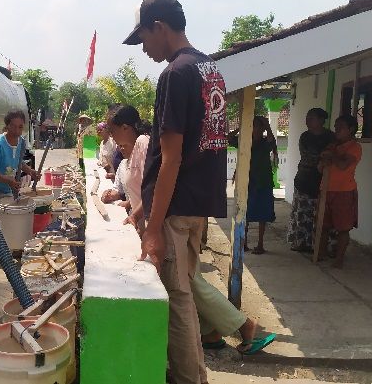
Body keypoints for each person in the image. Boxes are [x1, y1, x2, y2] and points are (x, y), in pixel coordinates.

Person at [122, 0, 228, 382]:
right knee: (183, 294)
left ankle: (189, 379)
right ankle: (193, 373)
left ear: (159, 27)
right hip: (198, 204)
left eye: (144, 40)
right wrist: (142, 203)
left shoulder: (175, 74)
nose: (145, 50)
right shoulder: (209, 68)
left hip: (177, 206)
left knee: (176, 300)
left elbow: (171, 157)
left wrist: (153, 226)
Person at [115, 106, 275, 357]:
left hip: (173, 217)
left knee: (187, 281)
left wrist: (150, 224)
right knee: (187, 280)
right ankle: (210, 333)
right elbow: (148, 187)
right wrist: (135, 211)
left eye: (113, 131)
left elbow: (159, 184)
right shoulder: (139, 148)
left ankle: (244, 326)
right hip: (172, 216)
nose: (112, 138)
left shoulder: (147, 144)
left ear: (126, 127)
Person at [287, 108, 335, 252]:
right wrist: (323, 158)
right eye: (307, 117)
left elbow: (332, 155)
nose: (307, 120)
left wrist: (325, 158)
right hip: (305, 179)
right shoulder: (305, 137)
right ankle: (302, 243)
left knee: (323, 216)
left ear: (321, 120)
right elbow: (307, 157)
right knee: (303, 214)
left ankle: (323, 246)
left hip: (324, 181)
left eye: (311, 118)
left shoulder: (331, 137)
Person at [228, 116, 278, 254]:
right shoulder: (245, 142)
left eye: (258, 126)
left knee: (263, 214)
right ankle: (243, 243)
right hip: (248, 182)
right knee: (245, 213)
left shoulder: (264, 143)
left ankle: (260, 244)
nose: (256, 129)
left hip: (263, 182)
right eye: (253, 126)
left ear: (262, 129)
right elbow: (228, 137)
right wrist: (241, 127)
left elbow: (272, 141)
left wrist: (268, 125)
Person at [318, 114, 362, 268]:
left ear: (350, 129)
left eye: (340, 127)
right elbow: (320, 167)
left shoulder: (354, 147)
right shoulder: (332, 146)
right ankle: (320, 253)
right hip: (326, 190)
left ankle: (339, 260)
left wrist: (332, 156)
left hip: (344, 192)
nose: (336, 130)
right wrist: (325, 158)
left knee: (343, 228)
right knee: (323, 225)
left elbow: (344, 166)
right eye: (336, 127)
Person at [0, 110, 39, 201]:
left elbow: (18, 162)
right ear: (7, 126)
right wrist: (8, 180)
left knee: (11, 211)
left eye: (20, 127)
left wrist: (30, 171)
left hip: (5, 189)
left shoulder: (21, 142)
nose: (17, 131)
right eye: (13, 126)